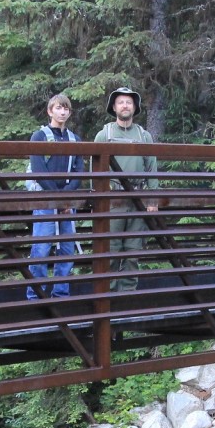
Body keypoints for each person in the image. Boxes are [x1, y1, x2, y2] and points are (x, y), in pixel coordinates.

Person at [93, 86, 159, 292]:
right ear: (114, 107)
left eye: (128, 102)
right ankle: (108, 297)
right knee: (110, 250)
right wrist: (97, 200)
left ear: (135, 107)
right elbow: (94, 171)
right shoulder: (104, 135)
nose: (125, 105)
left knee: (133, 251)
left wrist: (152, 199)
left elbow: (152, 167)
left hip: (138, 199)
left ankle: (127, 297)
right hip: (112, 200)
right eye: (120, 102)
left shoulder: (144, 135)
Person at [26, 94, 85, 300]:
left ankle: (61, 294)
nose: (62, 112)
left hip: (67, 201)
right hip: (45, 200)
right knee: (41, 249)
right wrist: (58, 198)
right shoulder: (39, 136)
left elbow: (79, 171)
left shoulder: (74, 139)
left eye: (66, 109)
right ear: (50, 111)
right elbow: (39, 170)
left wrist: (66, 198)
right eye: (58, 108)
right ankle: (36, 295)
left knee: (67, 249)